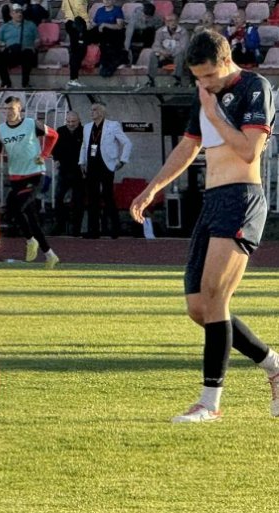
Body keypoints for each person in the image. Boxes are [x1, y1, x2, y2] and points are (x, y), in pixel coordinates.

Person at [130, 30, 279, 422]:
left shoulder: (254, 88)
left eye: (209, 75)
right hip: (213, 202)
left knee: (215, 297)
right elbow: (188, 146)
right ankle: (274, 365)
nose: (205, 84)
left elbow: (249, 150)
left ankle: (209, 403)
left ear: (226, 60)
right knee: (199, 307)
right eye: (198, 78)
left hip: (242, 198)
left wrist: (213, 114)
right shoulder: (206, 94)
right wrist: (153, 188)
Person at [0, 96, 59, 268]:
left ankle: (31, 240)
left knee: (18, 208)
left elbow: (54, 135)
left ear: (19, 109)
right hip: (15, 177)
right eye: (6, 109)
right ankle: (50, 255)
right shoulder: (0, 130)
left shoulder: (31, 124)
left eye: (12, 109)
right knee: (28, 216)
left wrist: (44, 154)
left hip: (34, 175)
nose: (9, 112)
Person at [78, 102, 131, 239]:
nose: (92, 112)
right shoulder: (87, 127)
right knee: (92, 197)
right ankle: (93, 230)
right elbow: (84, 145)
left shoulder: (113, 125)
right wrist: (82, 162)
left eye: (95, 110)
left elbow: (127, 143)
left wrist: (122, 160)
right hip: (92, 165)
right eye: (91, 110)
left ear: (102, 112)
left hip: (107, 164)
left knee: (108, 196)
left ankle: (115, 229)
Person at [52, 111, 85, 237]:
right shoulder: (61, 131)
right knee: (58, 197)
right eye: (68, 121)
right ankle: (60, 224)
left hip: (79, 170)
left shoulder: (84, 131)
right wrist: (56, 159)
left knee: (78, 200)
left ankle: (76, 228)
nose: (70, 124)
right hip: (64, 169)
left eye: (73, 122)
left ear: (79, 121)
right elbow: (54, 147)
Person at [0, 3, 39, 88]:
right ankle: (6, 83)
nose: (19, 14)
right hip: (11, 53)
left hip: (25, 54)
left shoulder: (31, 25)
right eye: (16, 12)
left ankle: (25, 83)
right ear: (11, 14)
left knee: (28, 53)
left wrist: (33, 47)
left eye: (20, 12)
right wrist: (2, 46)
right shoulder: (5, 27)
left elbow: (37, 41)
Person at [147, 13, 188, 88]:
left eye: (174, 20)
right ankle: (151, 79)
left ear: (178, 21)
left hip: (176, 56)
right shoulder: (160, 31)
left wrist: (170, 53)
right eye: (170, 21)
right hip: (163, 56)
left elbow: (183, 47)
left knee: (180, 55)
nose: (173, 23)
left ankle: (177, 80)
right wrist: (162, 52)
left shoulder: (183, 32)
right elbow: (155, 46)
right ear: (166, 22)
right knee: (153, 55)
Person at [89, 0, 126, 77]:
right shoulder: (100, 10)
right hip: (99, 34)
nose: (106, 1)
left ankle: (106, 65)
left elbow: (119, 26)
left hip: (113, 34)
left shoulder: (117, 10)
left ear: (113, 1)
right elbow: (94, 24)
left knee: (105, 31)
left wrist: (105, 25)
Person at [64, 15, 88, 88]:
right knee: (74, 62)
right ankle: (73, 80)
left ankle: (74, 80)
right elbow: (68, 24)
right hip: (75, 49)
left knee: (76, 62)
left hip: (81, 49)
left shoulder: (83, 31)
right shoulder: (72, 31)